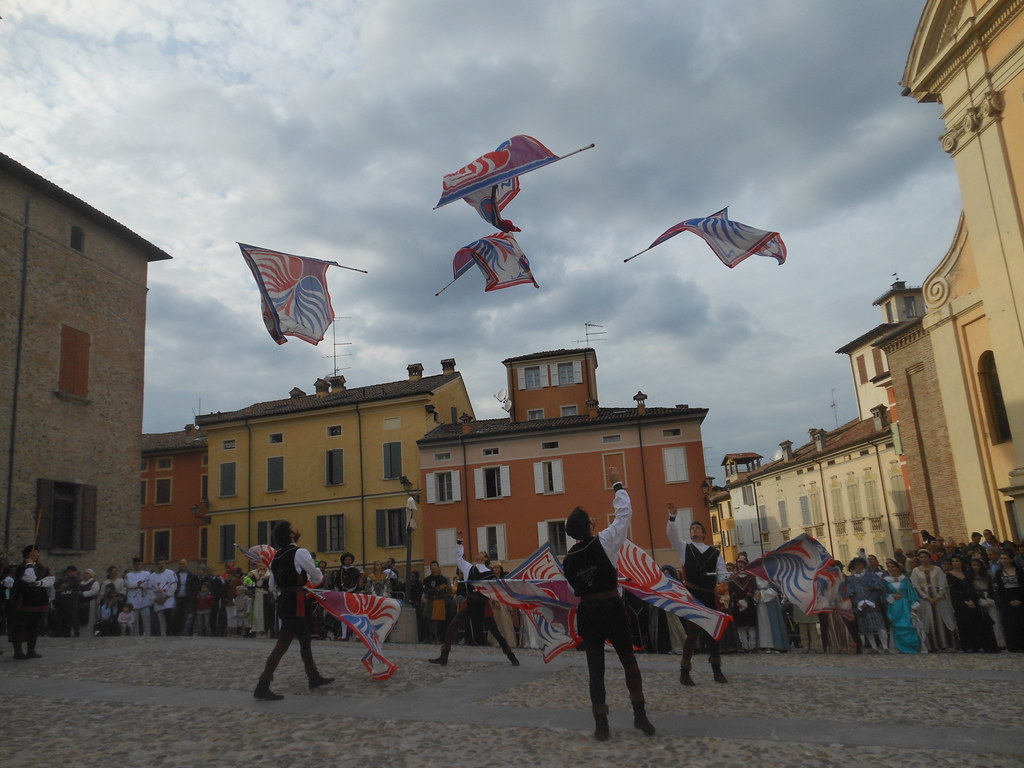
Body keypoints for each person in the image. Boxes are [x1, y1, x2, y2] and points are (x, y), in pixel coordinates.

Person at [562, 467, 654, 741]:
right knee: (629, 661)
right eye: (591, 519)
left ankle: (601, 723)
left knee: (596, 670)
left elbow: (573, 587)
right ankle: (640, 715)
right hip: (612, 609)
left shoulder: (568, 559)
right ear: (589, 526)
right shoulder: (604, 541)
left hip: (588, 613)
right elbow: (625, 514)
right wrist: (617, 484)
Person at [253, 520, 334, 700]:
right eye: (293, 527)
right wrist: (306, 582)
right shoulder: (300, 552)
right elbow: (317, 576)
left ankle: (313, 677)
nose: (297, 527)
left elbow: (273, 586)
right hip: (296, 602)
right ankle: (262, 684)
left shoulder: (276, 557)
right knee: (282, 645)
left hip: (285, 601)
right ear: (290, 534)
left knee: (305, 639)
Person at [428, 531, 519, 667]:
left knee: (496, 632)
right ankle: (444, 656)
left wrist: (494, 599)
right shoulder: (469, 567)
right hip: (470, 603)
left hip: (483, 605)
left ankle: (511, 656)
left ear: (485, 558)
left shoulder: (490, 573)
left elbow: (494, 590)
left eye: (482, 552)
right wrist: (459, 540)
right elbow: (458, 557)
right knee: (452, 628)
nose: (479, 552)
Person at [666, 506, 728, 685]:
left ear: (704, 534)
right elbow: (672, 536)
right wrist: (672, 517)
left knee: (713, 635)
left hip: (709, 596)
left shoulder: (715, 553)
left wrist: (724, 582)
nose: (694, 529)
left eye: (697, 528)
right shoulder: (685, 548)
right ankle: (684, 672)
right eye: (692, 528)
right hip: (692, 597)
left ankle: (717, 670)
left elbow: (722, 574)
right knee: (692, 635)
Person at [946, 554, 997, 652]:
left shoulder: (968, 573)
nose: (955, 563)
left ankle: (977, 644)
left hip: (972, 600)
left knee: (975, 623)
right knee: (963, 623)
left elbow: (972, 587)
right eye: (953, 561)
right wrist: (964, 602)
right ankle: (967, 645)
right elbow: (953, 591)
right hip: (959, 602)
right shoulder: (949, 575)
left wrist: (972, 600)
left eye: (957, 561)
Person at [9, 545, 53, 659]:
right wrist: (29, 567)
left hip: (38, 601)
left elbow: (50, 580)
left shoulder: (42, 568)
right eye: (35, 552)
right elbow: (29, 579)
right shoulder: (20, 568)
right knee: (19, 627)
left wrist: (40, 583)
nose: (37, 554)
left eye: (38, 552)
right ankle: (18, 652)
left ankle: (31, 650)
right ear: (28, 554)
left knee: (34, 627)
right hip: (23, 600)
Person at [910, 548, 956, 651]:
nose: (923, 559)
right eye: (921, 557)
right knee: (928, 620)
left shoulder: (937, 569)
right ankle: (932, 645)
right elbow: (915, 586)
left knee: (942, 618)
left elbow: (943, 583)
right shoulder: (916, 571)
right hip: (925, 600)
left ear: (929, 558)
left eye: (925, 557)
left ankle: (945, 644)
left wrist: (938, 596)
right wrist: (926, 597)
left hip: (938, 598)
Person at [846, 557, 888, 652]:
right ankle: (874, 647)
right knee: (866, 627)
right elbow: (850, 593)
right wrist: (859, 602)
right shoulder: (851, 579)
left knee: (879, 625)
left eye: (860, 565)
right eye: (856, 565)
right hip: (860, 605)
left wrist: (870, 600)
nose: (858, 567)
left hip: (873, 604)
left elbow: (878, 588)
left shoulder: (871, 575)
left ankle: (885, 646)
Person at [882, 559, 921, 654]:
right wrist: (891, 596)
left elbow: (911, 592)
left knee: (909, 624)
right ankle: (900, 646)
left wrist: (913, 604)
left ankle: (913, 645)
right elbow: (884, 594)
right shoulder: (886, 581)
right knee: (897, 625)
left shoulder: (905, 579)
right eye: (889, 567)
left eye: (893, 566)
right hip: (895, 606)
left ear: (897, 567)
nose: (891, 569)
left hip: (906, 604)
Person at [994, 552, 1024, 652]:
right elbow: (1000, 590)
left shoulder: (1019, 571)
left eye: (1005, 558)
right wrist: (1009, 600)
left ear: (1011, 559)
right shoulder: (998, 573)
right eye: (1001, 559)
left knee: (1021, 621)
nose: (1003, 561)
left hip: (1019, 596)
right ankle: (1013, 646)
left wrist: (1020, 600)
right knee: (1010, 623)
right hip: (1007, 599)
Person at [728, 555, 758, 650]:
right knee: (741, 626)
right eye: (739, 562)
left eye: (742, 563)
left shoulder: (750, 576)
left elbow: (751, 589)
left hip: (748, 602)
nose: (740, 564)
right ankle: (744, 645)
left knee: (751, 626)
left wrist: (745, 600)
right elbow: (731, 590)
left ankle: (752, 646)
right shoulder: (733, 577)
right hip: (737, 603)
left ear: (746, 564)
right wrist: (737, 600)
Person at [421, 560, 450, 643]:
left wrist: (433, 591)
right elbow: (426, 590)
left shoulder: (443, 579)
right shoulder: (427, 579)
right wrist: (433, 591)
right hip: (429, 601)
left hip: (439, 600)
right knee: (427, 619)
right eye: (431, 566)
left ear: (438, 567)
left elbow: (442, 590)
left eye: (435, 566)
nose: (433, 567)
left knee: (438, 621)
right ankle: (429, 637)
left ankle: (438, 637)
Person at [124, 557, 153, 636]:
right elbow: (128, 584)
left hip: (145, 600)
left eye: (139, 564)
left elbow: (149, 585)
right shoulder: (128, 575)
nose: (138, 566)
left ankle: (148, 636)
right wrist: (138, 584)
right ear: (134, 565)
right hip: (133, 601)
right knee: (134, 622)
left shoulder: (147, 574)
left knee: (146, 620)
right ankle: (135, 637)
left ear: (142, 564)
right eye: (136, 564)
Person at [149, 558, 177, 636]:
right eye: (159, 564)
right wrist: (155, 598)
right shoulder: (152, 576)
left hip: (168, 601)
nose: (161, 565)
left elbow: (173, 586)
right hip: (158, 600)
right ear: (156, 565)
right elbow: (149, 589)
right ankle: (163, 635)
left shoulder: (170, 573)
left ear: (165, 564)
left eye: (162, 563)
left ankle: (170, 635)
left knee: (169, 619)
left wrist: (166, 597)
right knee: (160, 620)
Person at [53, 564, 82, 637]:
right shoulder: (64, 579)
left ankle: (76, 632)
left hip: (72, 601)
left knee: (73, 617)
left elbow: (67, 586)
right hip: (63, 601)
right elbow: (56, 585)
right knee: (65, 618)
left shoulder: (76, 579)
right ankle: (66, 632)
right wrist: (61, 587)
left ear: (75, 572)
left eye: (71, 572)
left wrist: (62, 588)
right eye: (68, 572)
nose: (69, 573)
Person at [174, 559, 200, 636]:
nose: (182, 565)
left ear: (187, 565)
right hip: (177, 598)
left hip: (188, 599)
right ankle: (177, 632)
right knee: (177, 616)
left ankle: (187, 633)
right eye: (181, 564)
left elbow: (196, 588)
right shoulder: (175, 576)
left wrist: (192, 598)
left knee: (187, 616)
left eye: (184, 564)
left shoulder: (192, 576)